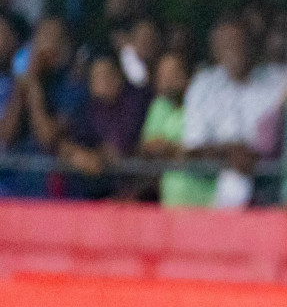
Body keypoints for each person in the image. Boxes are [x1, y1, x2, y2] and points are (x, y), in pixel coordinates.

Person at [181, 18, 287, 209]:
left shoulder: (279, 81)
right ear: (215, 50)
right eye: (228, 44)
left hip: (272, 189)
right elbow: (193, 146)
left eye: (241, 42)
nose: (236, 49)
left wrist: (254, 154)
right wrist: (230, 152)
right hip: (219, 195)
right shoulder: (202, 86)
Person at [0, 17, 85, 196]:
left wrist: (34, 86)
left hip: (57, 192)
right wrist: (23, 86)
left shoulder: (73, 88)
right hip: (19, 188)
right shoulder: (17, 82)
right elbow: (6, 136)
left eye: (56, 38)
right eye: (43, 36)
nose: (48, 45)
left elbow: (47, 137)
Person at [56, 54, 149, 197]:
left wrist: (95, 158)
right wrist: (77, 154)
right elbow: (65, 143)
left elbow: (118, 149)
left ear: (119, 76)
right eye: (97, 76)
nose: (104, 81)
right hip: (89, 195)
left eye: (108, 74)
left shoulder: (135, 104)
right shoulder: (85, 108)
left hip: (130, 194)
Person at [138, 52, 215, 207]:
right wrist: (179, 150)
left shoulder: (206, 103)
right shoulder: (159, 105)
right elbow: (149, 146)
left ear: (188, 75)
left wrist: (173, 150)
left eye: (173, 73)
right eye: (163, 74)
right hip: (172, 204)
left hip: (207, 204)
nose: (167, 80)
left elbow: (205, 150)